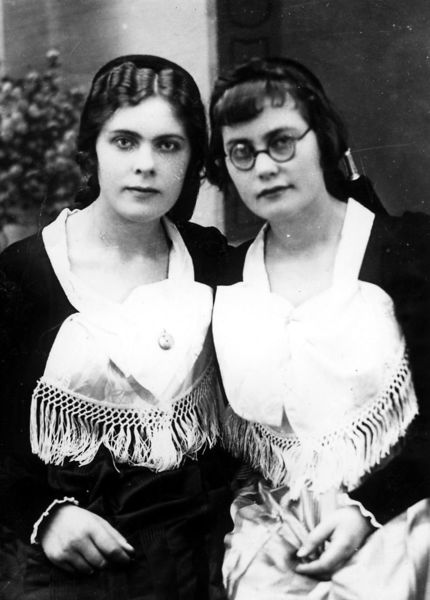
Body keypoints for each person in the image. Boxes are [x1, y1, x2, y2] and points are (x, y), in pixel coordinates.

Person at [0, 54, 233, 600]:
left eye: (168, 145)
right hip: (66, 562)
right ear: (92, 150)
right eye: (125, 141)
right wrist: (44, 516)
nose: (145, 164)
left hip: (197, 554)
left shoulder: (210, 260)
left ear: (192, 160)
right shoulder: (23, 273)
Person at [207, 56, 430, 599]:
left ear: (323, 139)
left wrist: (366, 511)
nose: (264, 166)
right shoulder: (226, 278)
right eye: (242, 151)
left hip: (405, 504)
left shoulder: (406, 249)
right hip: (274, 528)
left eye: (282, 142)